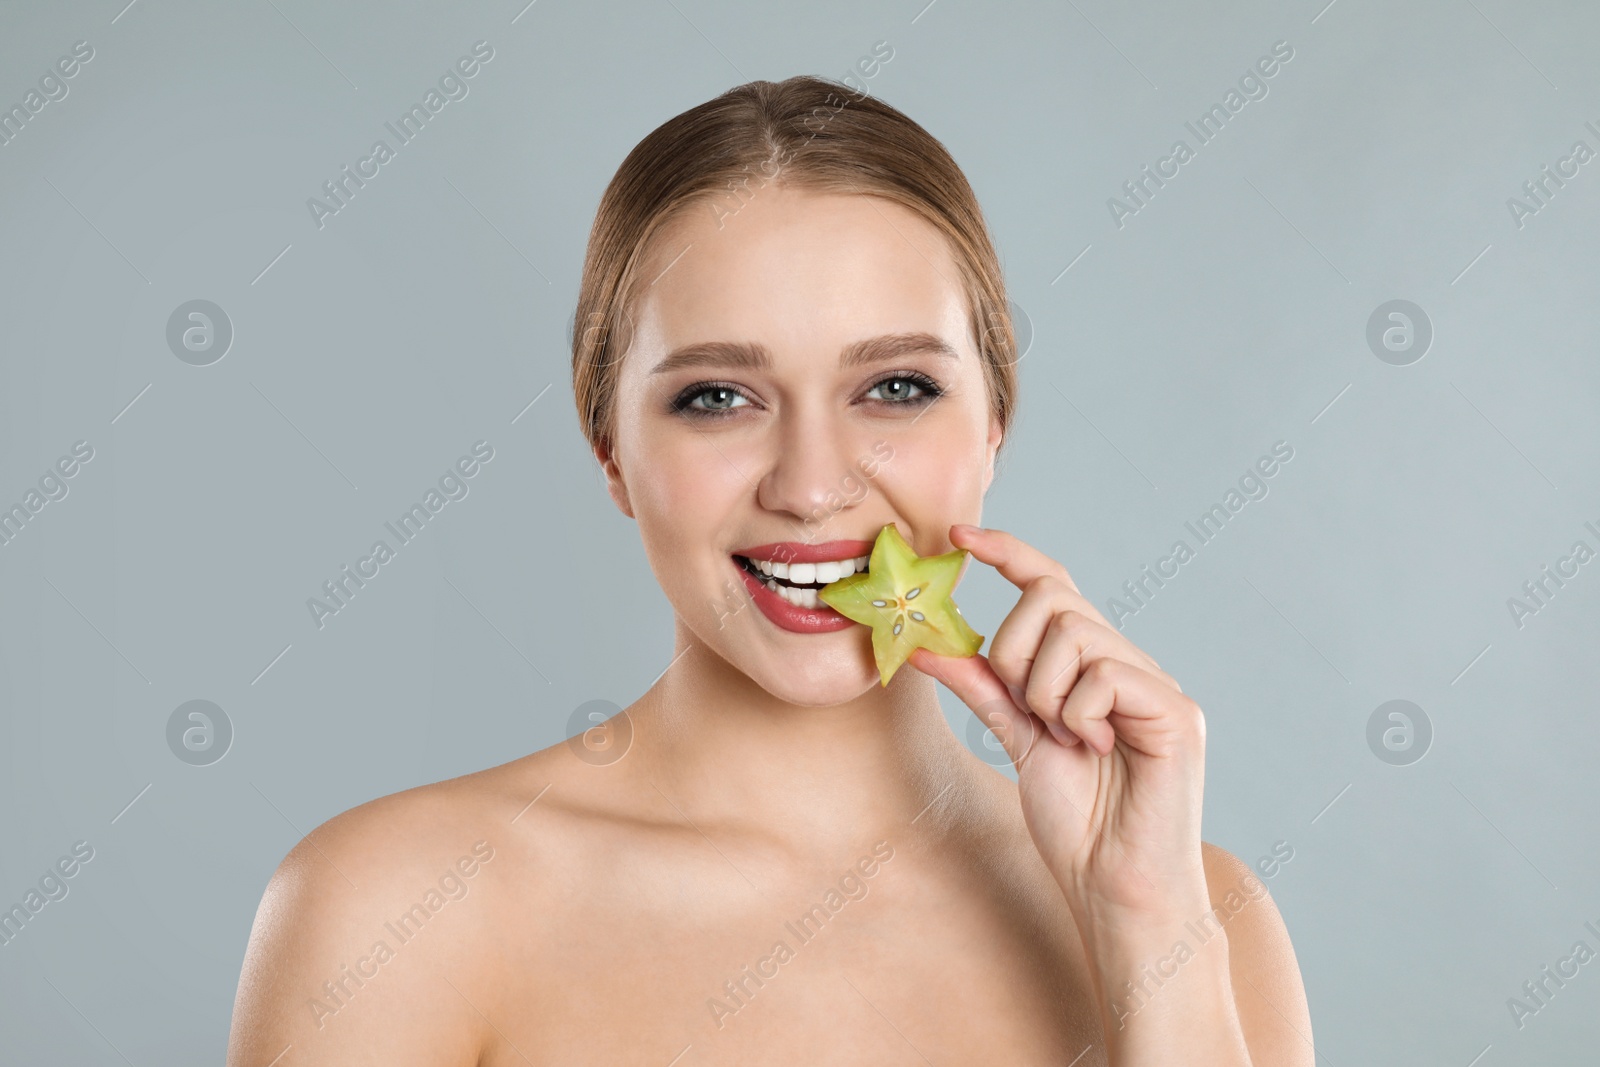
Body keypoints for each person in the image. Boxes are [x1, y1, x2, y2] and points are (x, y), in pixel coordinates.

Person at [227, 75, 1312, 1065]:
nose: (809, 483)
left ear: (994, 425)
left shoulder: (1201, 911)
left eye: (893, 388)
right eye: (716, 397)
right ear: (611, 449)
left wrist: (1148, 931)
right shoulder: (395, 909)